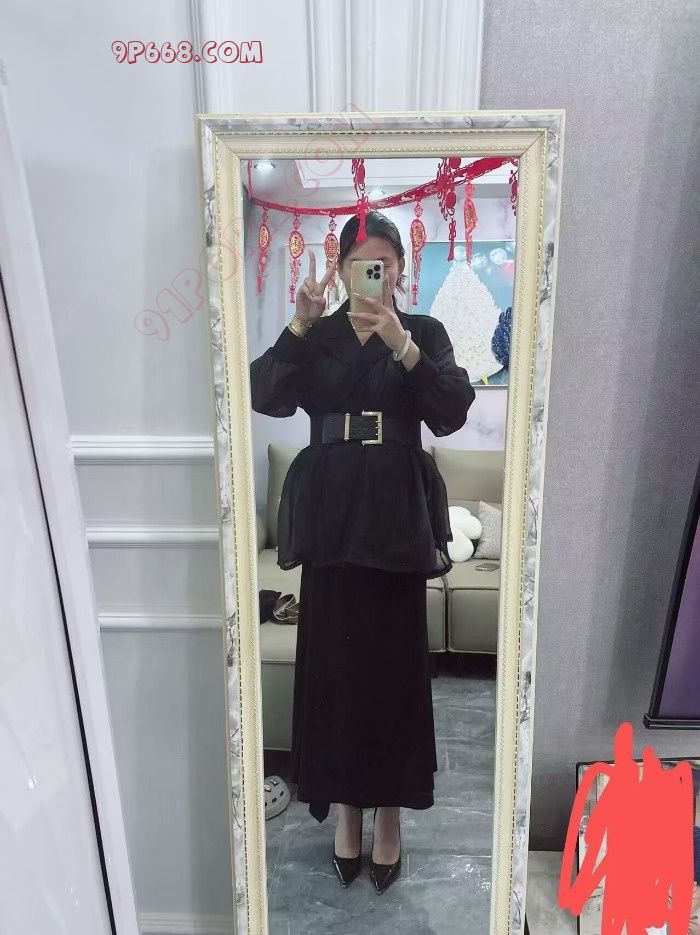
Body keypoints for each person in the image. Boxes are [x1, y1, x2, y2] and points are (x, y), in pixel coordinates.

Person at [249, 210, 476, 893]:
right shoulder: (316, 335)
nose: (371, 274)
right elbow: (263, 392)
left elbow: (451, 410)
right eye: (359, 263)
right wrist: (297, 324)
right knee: (336, 672)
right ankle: (346, 808)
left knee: (394, 673)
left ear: (399, 270)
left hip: (395, 519)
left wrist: (403, 345)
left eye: (384, 263)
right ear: (343, 268)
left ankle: (390, 815)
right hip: (331, 518)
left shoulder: (423, 332)